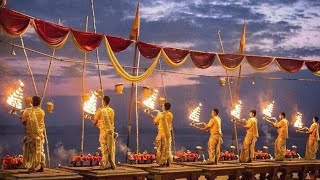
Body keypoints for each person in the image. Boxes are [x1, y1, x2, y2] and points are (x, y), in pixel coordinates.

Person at [21, 96, 46, 172]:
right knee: (40, 150)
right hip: (40, 135)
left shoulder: (27, 111)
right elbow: (40, 123)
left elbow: (24, 122)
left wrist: (22, 119)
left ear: (31, 102)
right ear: (39, 103)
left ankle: (31, 167)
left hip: (31, 136)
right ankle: (41, 166)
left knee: (32, 152)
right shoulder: (42, 112)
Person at [93, 96, 116, 169]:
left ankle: (104, 165)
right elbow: (111, 122)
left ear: (103, 101)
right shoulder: (112, 111)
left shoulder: (100, 110)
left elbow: (95, 122)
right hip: (111, 132)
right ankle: (111, 163)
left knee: (104, 148)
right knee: (111, 148)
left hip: (103, 132)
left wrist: (95, 123)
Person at [152, 102, 173, 166]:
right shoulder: (171, 115)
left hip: (162, 134)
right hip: (168, 134)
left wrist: (154, 118)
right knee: (168, 147)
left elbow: (155, 122)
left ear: (164, 107)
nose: (162, 107)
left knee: (161, 148)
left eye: (163, 106)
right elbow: (167, 123)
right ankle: (168, 161)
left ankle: (162, 162)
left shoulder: (160, 114)